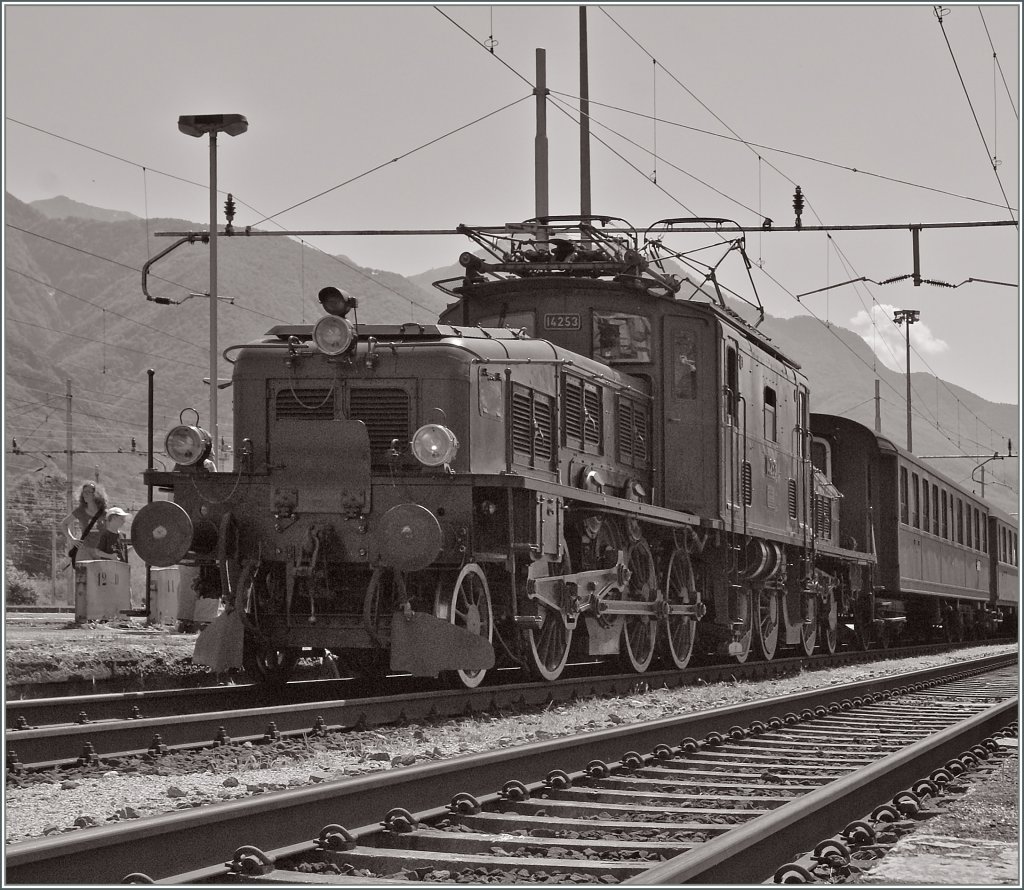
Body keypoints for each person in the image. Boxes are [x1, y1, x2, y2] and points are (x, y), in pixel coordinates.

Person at [62, 481, 109, 564]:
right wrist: (72, 539)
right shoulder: (80, 511)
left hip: (101, 552)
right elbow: (64, 524)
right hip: (84, 550)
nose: (85, 494)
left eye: (88, 492)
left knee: (101, 576)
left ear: (96, 494)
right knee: (84, 576)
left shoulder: (104, 513)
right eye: (84, 492)